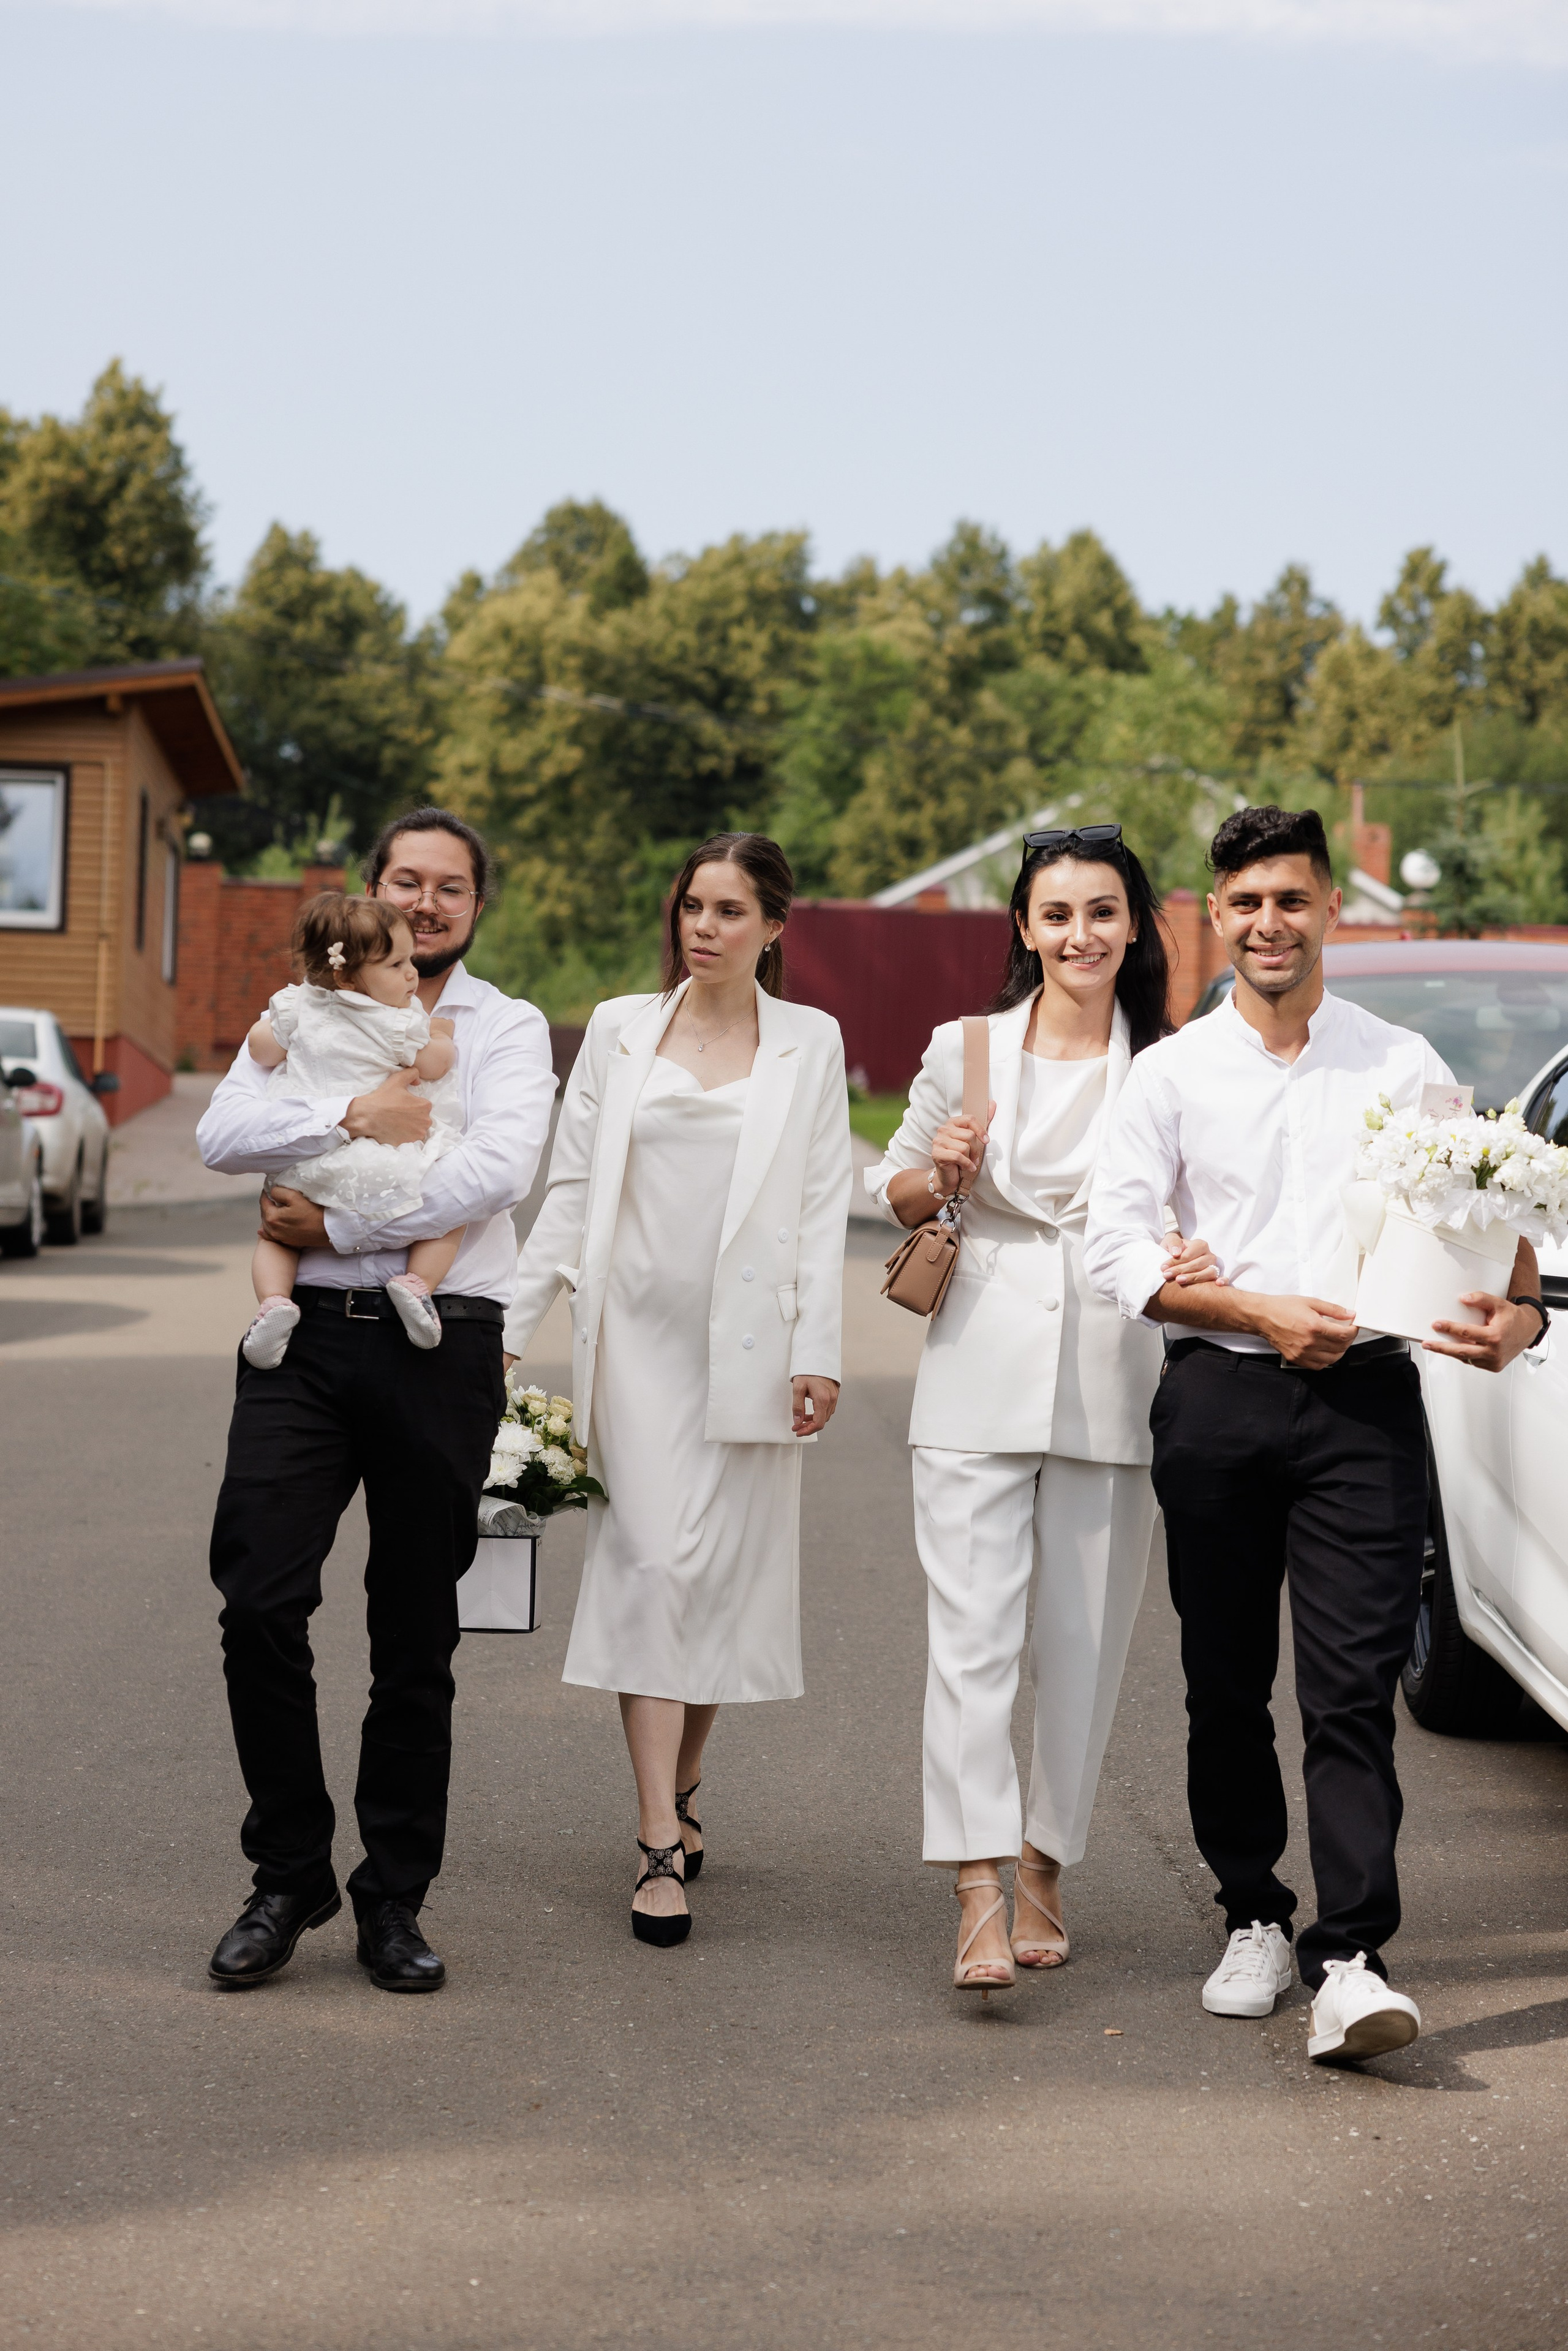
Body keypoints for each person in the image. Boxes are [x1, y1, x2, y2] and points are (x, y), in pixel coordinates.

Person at [1084, 804, 1545, 2062]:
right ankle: (1250, 1911)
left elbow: (1490, 1236)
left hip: (1362, 1406)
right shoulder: (1166, 1073)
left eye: (1290, 898)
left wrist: (1516, 1321)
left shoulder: (1399, 1066)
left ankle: (1350, 1951)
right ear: (1212, 916)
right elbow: (1112, 1246)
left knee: (1349, 1691)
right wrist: (1243, 1303)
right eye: (1244, 902)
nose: (1267, 921)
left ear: (1329, 907)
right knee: (1222, 1682)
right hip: (1216, 1400)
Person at [198, 808, 556, 1994]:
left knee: (415, 1633)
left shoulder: (498, 1028)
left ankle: (392, 1896)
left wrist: (341, 1219)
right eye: (406, 880)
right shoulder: (299, 1008)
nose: (425, 901)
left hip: (437, 1336)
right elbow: (221, 1132)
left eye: (450, 886)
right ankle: (287, 1870)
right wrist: (345, 1116)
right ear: (373, 890)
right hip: (297, 1341)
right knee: (258, 1594)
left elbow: (495, 1166)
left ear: (475, 905)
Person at [867, 823, 1220, 1996]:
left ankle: (1045, 1856)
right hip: (978, 1359)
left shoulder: (1174, 1059)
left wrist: (1205, 1245)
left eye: (1103, 911)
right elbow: (895, 1188)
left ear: (1135, 928)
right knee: (971, 1639)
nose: (1081, 933)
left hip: (1118, 1366)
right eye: (1057, 913)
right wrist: (944, 1170)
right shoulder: (964, 1047)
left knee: (1084, 1641)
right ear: (1024, 926)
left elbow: (1211, 1198)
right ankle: (975, 1881)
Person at [502, 833, 851, 1948]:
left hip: (752, 1346)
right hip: (635, 1348)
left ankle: (686, 1780)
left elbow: (825, 1198)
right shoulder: (616, 1028)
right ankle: (658, 1838)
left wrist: (821, 1350)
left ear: (774, 926)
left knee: (713, 1579)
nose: (703, 926)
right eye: (693, 906)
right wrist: (507, 1330)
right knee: (652, 1565)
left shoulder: (811, 1041)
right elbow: (567, 1191)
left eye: (731, 910)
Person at [242, 891, 466, 1368]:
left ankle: (275, 1302)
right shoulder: (398, 1023)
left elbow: (261, 1051)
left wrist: (276, 1031)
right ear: (346, 973)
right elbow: (434, 1064)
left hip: (303, 1160)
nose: (412, 974)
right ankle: (417, 1285)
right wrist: (443, 1037)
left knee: (276, 1236)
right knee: (449, 1214)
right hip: (375, 1161)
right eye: (396, 965)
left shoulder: (297, 1006)